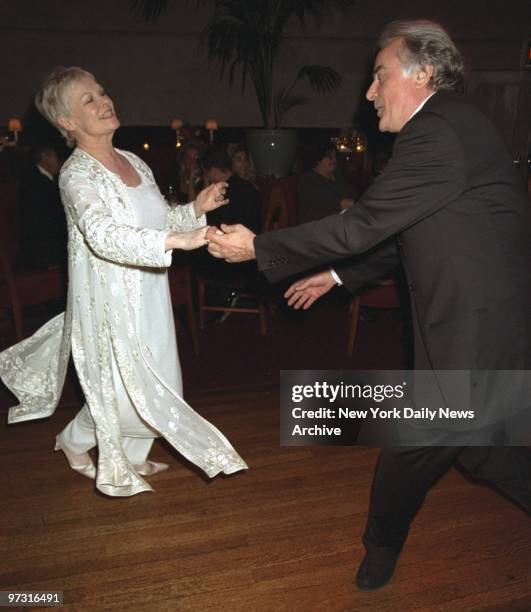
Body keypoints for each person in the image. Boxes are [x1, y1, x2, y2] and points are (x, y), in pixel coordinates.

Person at [206, 20, 531, 590]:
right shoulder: (445, 131)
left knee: (445, 446)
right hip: (470, 329)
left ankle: (379, 550)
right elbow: (404, 233)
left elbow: (363, 224)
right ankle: (380, 549)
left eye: (380, 76)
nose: (369, 93)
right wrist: (336, 274)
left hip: (480, 331)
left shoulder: (440, 130)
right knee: (461, 449)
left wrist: (260, 246)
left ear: (423, 72)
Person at [0, 66, 247, 497]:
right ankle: (75, 441)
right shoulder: (77, 175)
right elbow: (103, 235)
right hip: (111, 297)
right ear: (67, 122)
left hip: (148, 287)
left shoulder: (134, 160)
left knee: (160, 378)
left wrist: (194, 208)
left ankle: (132, 455)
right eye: (88, 100)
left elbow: (157, 220)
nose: (103, 101)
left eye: (101, 92)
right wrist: (180, 238)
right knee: (124, 384)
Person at [17, 144, 67, 270]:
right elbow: (48, 221)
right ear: (45, 157)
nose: (59, 161)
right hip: (41, 250)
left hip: (44, 240)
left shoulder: (38, 178)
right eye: (56, 157)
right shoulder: (38, 184)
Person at [297, 140, 356, 223]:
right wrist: (363, 205)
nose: (334, 160)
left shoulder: (336, 175)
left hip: (338, 222)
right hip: (317, 227)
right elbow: (335, 203)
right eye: (330, 157)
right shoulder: (309, 180)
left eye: (335, 156)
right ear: (318, 159)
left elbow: (352, 193)